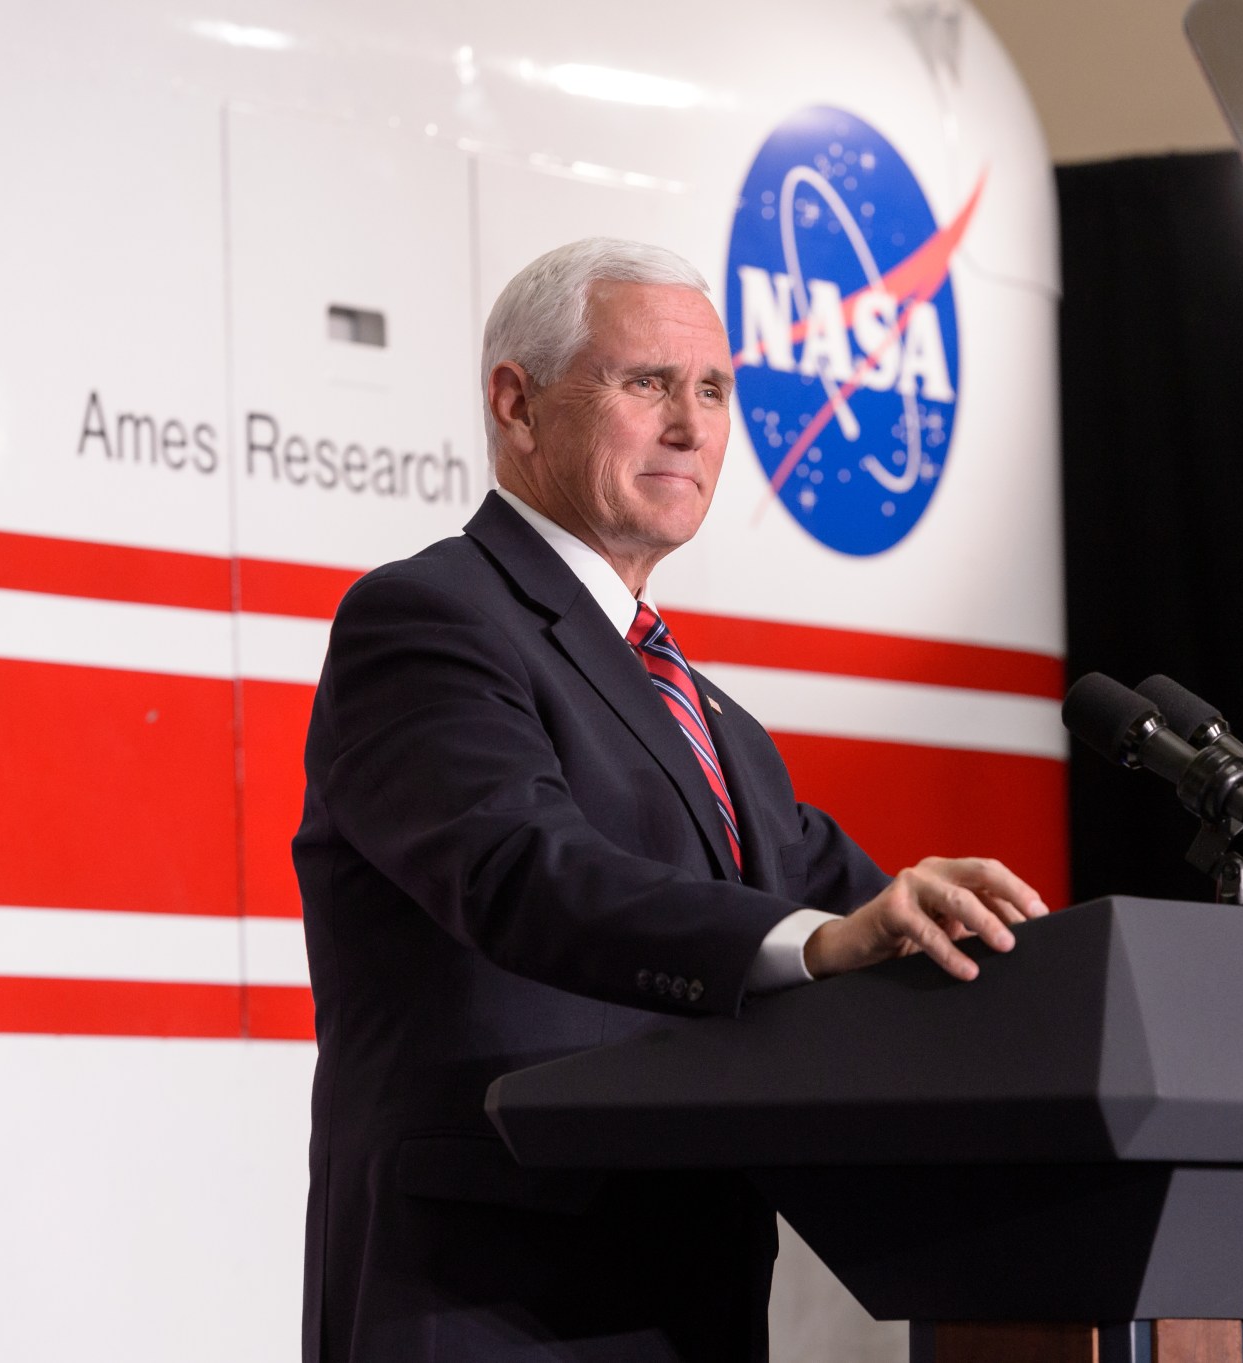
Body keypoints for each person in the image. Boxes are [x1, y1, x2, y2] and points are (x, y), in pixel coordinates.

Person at [293, 237, 1049, 1363]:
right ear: (516, 403)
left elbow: (863, 911)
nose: (693, 428)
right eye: (646, 382)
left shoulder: (719, 727)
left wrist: (1025, 962)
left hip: (687, 1291)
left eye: (714, 390)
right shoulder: (427, 621)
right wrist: (823, 941)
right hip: (487, 1295)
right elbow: (519, 869)